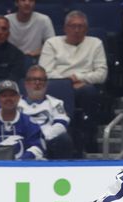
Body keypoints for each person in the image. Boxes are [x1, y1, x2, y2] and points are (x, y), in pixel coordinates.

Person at [39, 10, 107, 152]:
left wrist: (79, 78)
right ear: (65, 28)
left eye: (80, 26)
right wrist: (69, 82)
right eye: (72, 26)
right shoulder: (52, 43)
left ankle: (88, 138)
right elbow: (45, 72)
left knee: (89, 92)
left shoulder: (95, 43)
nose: (76, 30)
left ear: (86, 29)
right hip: (57, 87)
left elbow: (102, 74)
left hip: (83, 89)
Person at [0, 79, 45, 160]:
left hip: (23, 169)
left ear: (18, 98)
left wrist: (22, 161)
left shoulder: (30, 123)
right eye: (4, 95)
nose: (8, 99)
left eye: (12, 95)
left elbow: (38, 148)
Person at [19, 65, 74, 159]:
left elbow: (61, 124)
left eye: (41, 80)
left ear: (46, 83)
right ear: (26, 83)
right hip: (23, 141)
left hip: (48, 141)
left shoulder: (56, 103)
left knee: (64, 138)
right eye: (33, 79)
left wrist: (42, 137)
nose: (37, 83)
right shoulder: (16, 104)